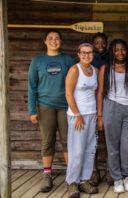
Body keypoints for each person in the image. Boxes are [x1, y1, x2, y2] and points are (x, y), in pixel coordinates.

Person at [28, 29, 75, 193]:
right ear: (45, 41)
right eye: (50, 38)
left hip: (66, 107)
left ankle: (71, 176)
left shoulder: (68, 60)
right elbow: (32, 86)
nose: (54, 41)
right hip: (45, 105)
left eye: (57, 38)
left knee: (67, 141)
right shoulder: (37, 61)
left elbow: (75, 84)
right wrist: (32, 110)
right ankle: (47, 175)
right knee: (47, 141)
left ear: (61, 41)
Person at [96, 39, 128, 193]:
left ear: (127, 51)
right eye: (116, 50)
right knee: (112, 145)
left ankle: (127, 175)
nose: (120, 53)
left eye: (123, 49)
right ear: (112, 52)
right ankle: (117, 178)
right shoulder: (105, 68)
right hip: (111, 107)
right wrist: (100, 116)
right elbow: (100, 92)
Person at [65, 42, 99, 197]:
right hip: (78, 115)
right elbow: (68, 94)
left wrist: (98, 115)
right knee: (77, 150)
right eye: (83, 52)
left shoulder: (95, 70)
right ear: (78, 54)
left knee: (90, 149)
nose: (87, 55)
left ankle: (84, 180)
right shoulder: (74, 70)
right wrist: (77, 114)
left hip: (92, 114)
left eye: (90, 52)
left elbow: (96, 94)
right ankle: (72, 182)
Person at [90, 31, 110, 186]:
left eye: (103, 42)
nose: (100, 45)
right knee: (93, 139)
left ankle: (110, 170)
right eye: (97, 43)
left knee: (110, 137)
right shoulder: (90, 59)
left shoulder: (111, 58)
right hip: (92, 101)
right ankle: (94, 171)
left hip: (109, 99)